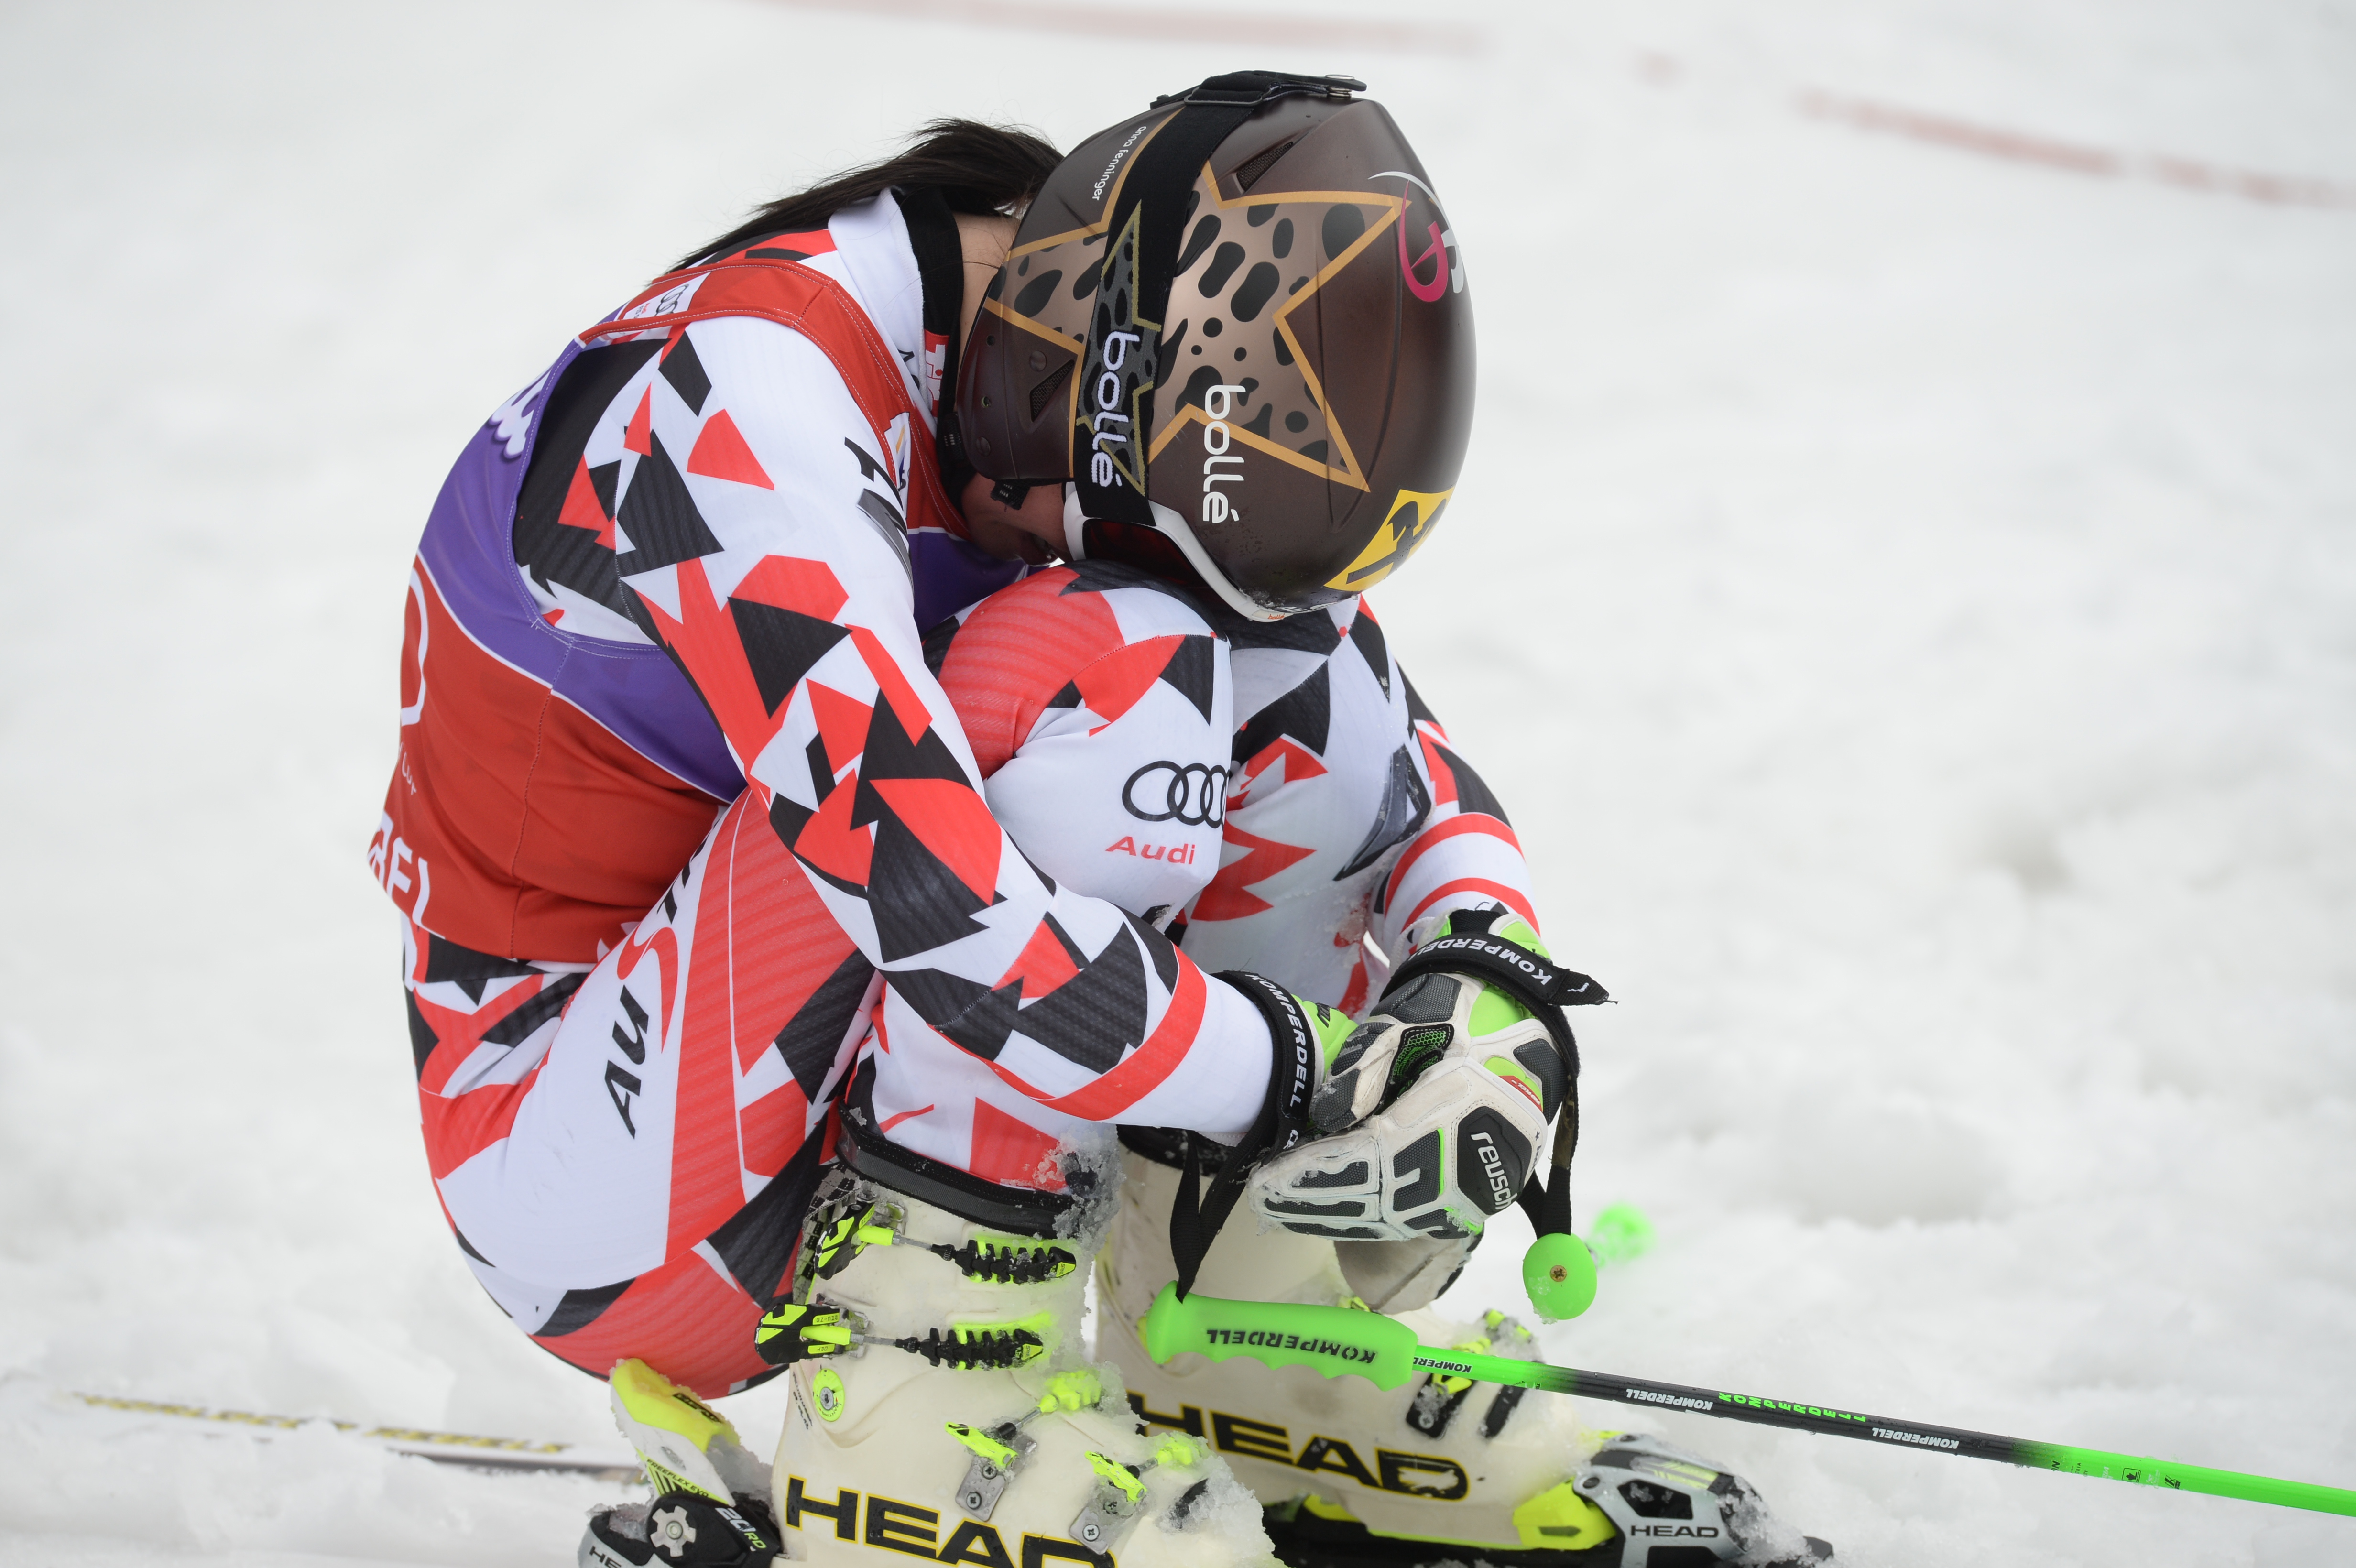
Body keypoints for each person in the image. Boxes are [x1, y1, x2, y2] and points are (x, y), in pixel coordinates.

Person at [371, 70, 1826, 1567]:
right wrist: (1304, 1076)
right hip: (590, 1176)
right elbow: (930, 900)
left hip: (777, 1059)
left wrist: (1479, 990)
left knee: (1274, 657)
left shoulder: (1089, 336)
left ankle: (1243, 1359)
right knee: (1114, 649)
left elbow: (1391, 750)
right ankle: (914, 1417)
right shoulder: (756, 390)